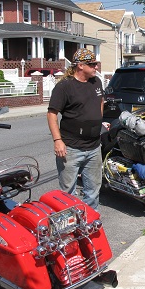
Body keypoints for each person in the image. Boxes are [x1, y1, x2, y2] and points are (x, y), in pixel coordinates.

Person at [47, 48, 104, 210]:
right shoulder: (64, 87)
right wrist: (58, 141)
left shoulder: (96, 82)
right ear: (80, 66)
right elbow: (52, 114)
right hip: (71, 148)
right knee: (68, 193)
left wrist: (98, 121)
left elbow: (101, 101)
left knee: (93, 191)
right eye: (92, 64)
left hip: (94, 147)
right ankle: (71, 228)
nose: (96, 67)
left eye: (96, 64)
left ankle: (90, 224)